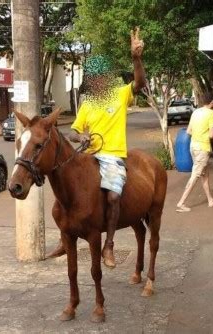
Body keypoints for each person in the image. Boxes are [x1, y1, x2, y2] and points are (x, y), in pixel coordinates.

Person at [46, 28, 146, 268]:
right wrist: (80, 138)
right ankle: (65, 237)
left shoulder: (120, 94)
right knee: (62, 198)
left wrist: (136, 58)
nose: (98, 80)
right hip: (89, 157)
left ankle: (109, 244)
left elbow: (140, 83)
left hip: (112, 157)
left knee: (112, 196)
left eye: (101, 75)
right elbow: (73, 130)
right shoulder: (88, 103)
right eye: (94, 76)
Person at [175, 92, 213, 212]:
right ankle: (181, 203)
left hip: (193, 147)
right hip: (202, 148)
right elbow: (212, 134)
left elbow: (189, 131)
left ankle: (210, 200)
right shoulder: (211, 113)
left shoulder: (196, 112)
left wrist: (200, 133)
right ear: (212, 102)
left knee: (205, 175)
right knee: (195, 175)